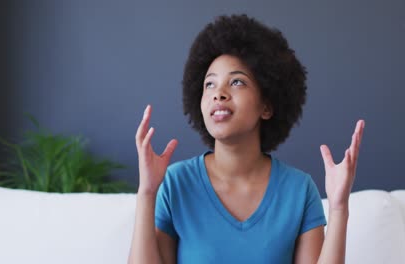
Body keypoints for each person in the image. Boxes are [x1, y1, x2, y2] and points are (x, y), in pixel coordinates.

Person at [128, 14, 365, 264]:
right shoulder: (176, 183)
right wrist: (146, 193)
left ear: (266, 106)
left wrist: (339, 209)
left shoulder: (299, 190)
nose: (218, 94)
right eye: (209, 84)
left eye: (237, 82)